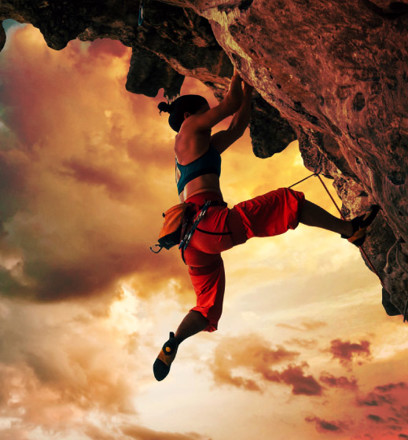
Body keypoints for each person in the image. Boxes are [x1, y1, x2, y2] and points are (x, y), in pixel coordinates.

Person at [153, 71, 379, 381]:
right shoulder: (189, 128)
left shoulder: (189, 152)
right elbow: (229, 105)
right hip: (210, 226)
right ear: (190, 114)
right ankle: (350, 230)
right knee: (288, 203)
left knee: (205, 309)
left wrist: (248, 90)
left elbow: (237, 125)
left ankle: (174, 341)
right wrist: (236, 69)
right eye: (205, 111)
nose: (208, 114)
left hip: (191, 245)